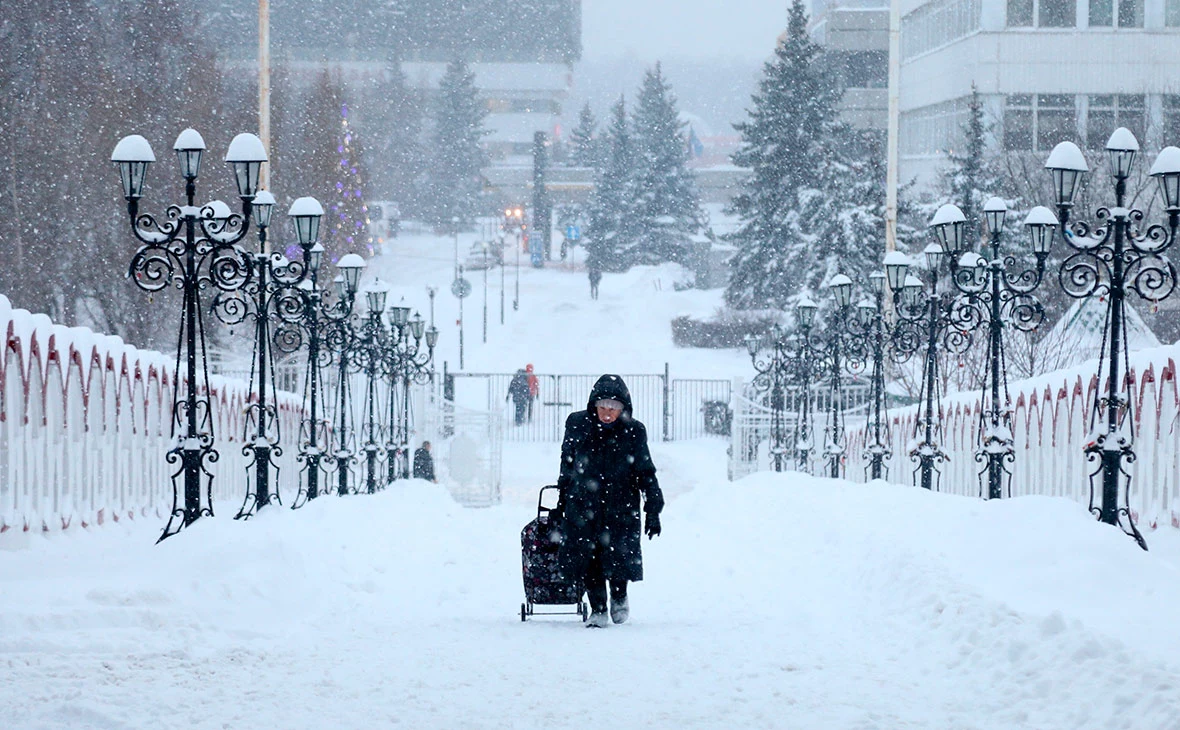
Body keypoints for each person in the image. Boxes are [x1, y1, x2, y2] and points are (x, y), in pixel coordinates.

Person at [556, 374, 663, 628]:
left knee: (618, 554)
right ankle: (598, 609)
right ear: (593, 405)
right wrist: (563, 497)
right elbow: (567, 463)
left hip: (621, 505)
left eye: (614, 409)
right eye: (603, 407)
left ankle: (619, 595)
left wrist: (653, 509)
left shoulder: (634, 431)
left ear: (623, 409)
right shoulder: (578, 424)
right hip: (583, 504)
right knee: (588, 556)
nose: (607, 414)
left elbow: (645, 471)